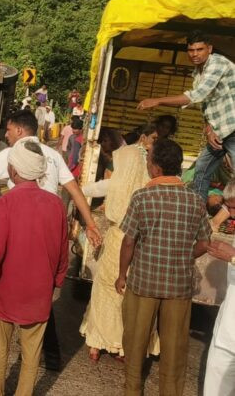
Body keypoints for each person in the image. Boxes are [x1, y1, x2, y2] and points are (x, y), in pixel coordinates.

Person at [0, 110, 102, 371]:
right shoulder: (53, 156)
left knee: (6, 293)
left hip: (20, 230)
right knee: (40, 297)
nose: (5, 134)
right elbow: (74, 190)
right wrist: (91, 224)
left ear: (19, 130)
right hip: (47, 233)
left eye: (7, 129)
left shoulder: (12, 154)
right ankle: (50, 355)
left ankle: (2, 362)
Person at [115, 138, 211, 395]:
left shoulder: (142, 197)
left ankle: (133, 390)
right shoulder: (195, 200)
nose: (147, 163)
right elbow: (204, 243)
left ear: (156, 167)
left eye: (148, 159)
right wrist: (183, 257)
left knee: (134, 344)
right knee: (175, 349)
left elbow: (128, 241)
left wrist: (122, 275)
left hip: (143, 283)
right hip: (179, 287)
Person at [0, 140, 68, 396]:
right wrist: (56, 282)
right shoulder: (56, 205)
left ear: (15, 170)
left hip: (4, 293)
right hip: (40, 293)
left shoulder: (6, 204)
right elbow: (62, 252)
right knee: (31, 357)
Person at [79, 124, 159, 362]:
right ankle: (124, 346)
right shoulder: (150, 182)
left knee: (105, 289)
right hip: (140, 242)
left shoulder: (119, 175)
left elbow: (97, 188)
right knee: (129, 294)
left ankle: (96, 343)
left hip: (117, 238)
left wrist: (75, 191)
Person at [138, 31, 235, 202]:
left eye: (199, 49)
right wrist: (209, 129)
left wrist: (157, 101)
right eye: (191, 50)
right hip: (220, 132)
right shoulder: (198, 72)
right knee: (201, 170)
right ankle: (196, 212)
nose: (195, 54)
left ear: (209, 49)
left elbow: (196, 95)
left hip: (233, 129)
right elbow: (206, 105)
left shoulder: (217, 64)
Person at [205, 180, 235, 395]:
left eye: (233, 207)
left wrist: (233, 256)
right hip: (227, 329)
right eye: (228, 207)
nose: (230, 213)